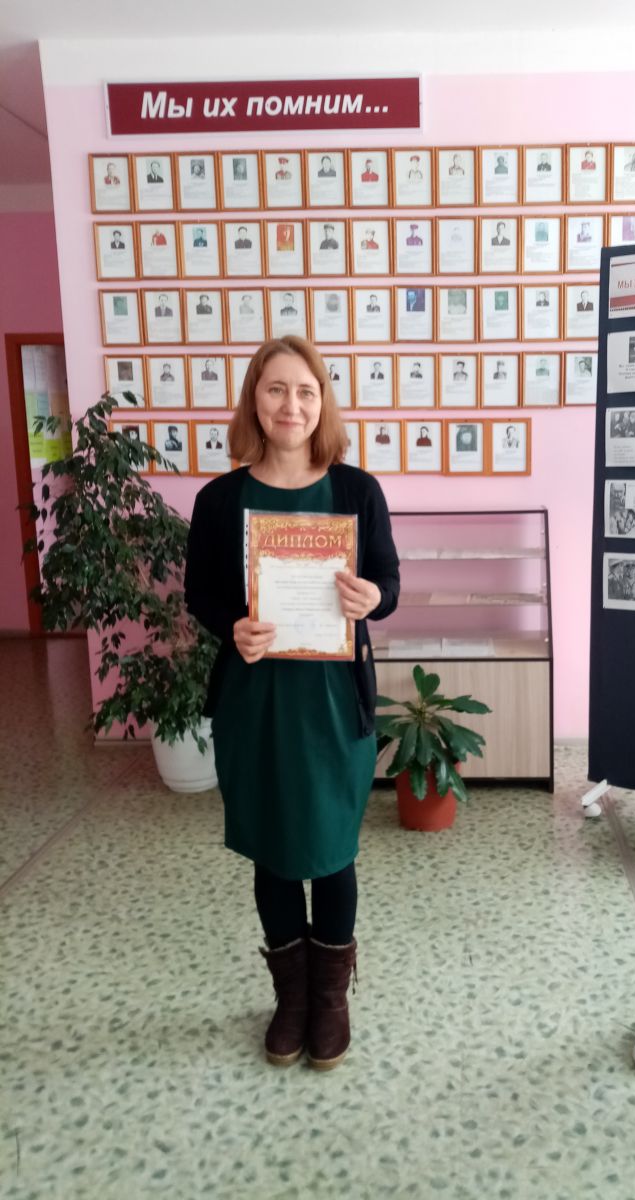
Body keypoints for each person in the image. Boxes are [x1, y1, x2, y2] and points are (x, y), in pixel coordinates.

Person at [185, 336, 400, 1072]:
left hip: (334, 703)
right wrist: (232, 626)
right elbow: (201, 595)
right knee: (274, 850)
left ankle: (330, 1000)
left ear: (322, 403)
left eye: (306, 391)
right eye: (276, 389)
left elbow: (388, 584)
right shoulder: (219, 501)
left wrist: (371, 597)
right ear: (255, 398)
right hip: (256, 701)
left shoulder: (356, 491)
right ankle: (291, 998)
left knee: (332, 850)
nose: (291, 405)